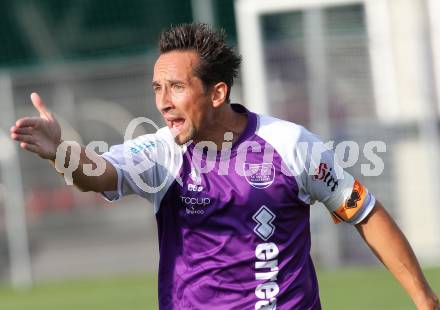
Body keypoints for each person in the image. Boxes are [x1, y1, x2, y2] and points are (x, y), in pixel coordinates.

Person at [10, 23, 439, 310]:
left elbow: (363, 211)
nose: (162, 101)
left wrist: (425, 300)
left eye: (176, 87)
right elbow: (100, 174)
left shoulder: (289, 145)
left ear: (217, 93)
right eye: (158, 88)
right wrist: (60, 151)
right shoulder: (164, 153)